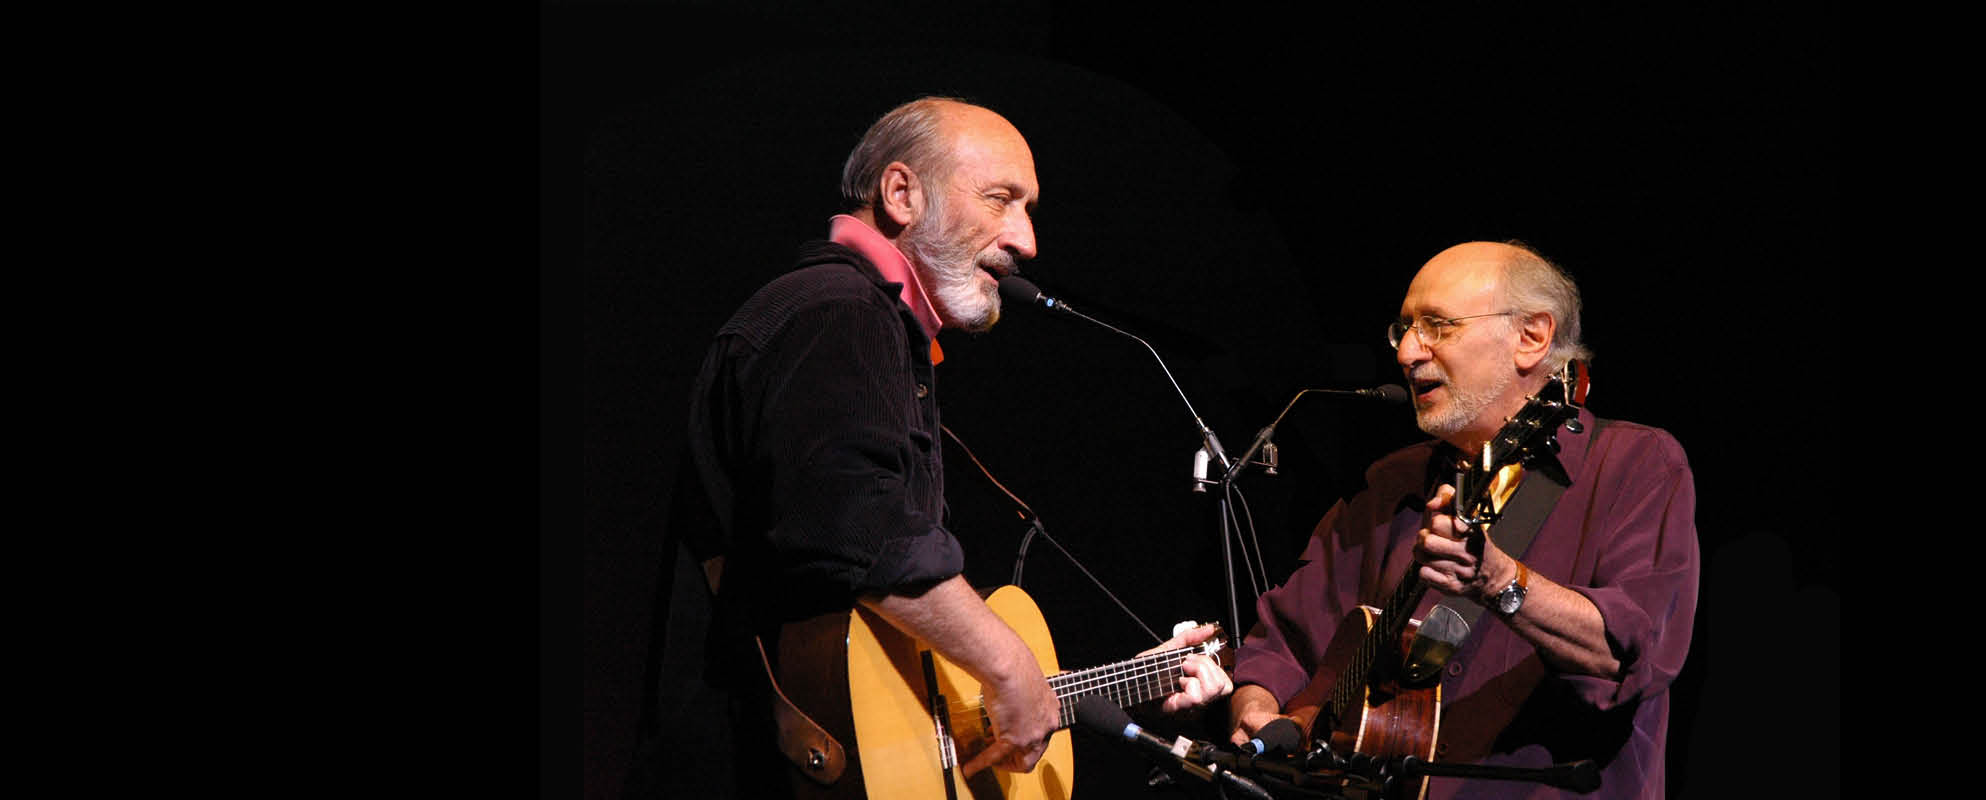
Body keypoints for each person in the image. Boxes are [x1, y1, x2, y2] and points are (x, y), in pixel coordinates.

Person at [628, 97, 1230, 799]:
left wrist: (1126, 678)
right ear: (902, 193)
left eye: (1029, 209)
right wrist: (1007, 663)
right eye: (1002, 199)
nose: (1027, 241)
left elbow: (893, 648)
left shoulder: (860, 325)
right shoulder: (836, 312)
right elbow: (859, 530)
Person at [1223, 241, 1700, 800]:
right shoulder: (1385, 487)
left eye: (1438, 326)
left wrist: (1501, 583)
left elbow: (1635, 649)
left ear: (1531, 338)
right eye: (1402, 329)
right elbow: (1277, 645)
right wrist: (1256, 708)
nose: (1406, 353)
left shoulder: (1635, 465)